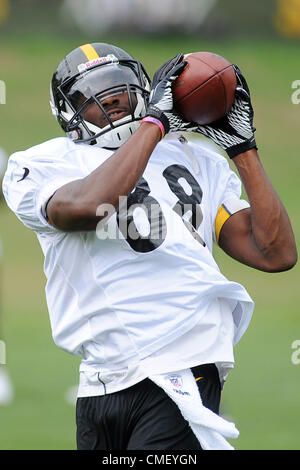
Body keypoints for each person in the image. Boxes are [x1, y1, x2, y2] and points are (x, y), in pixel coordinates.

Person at [2, 43, 297, 450]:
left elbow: (275, 252)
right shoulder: (41, 163)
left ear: (146, 88)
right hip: (103, 374)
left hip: (182, 354)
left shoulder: (198, 159)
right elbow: (89, 207)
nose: (111, 100)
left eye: (118, 87)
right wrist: (154, 126)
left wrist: (242, 148)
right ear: (66, 111)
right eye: (92, 95)